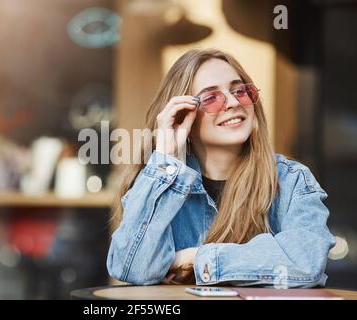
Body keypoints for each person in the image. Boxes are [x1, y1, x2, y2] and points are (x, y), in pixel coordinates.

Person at [106, 48, 335, 288]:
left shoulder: (291, 180)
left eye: (240, 91)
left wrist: (195, 258)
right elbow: (131, 267)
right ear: (183, 116)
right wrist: (166, 159)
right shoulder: (158, 182)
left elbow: (307, 262)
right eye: (211, 98)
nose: (234, 102)